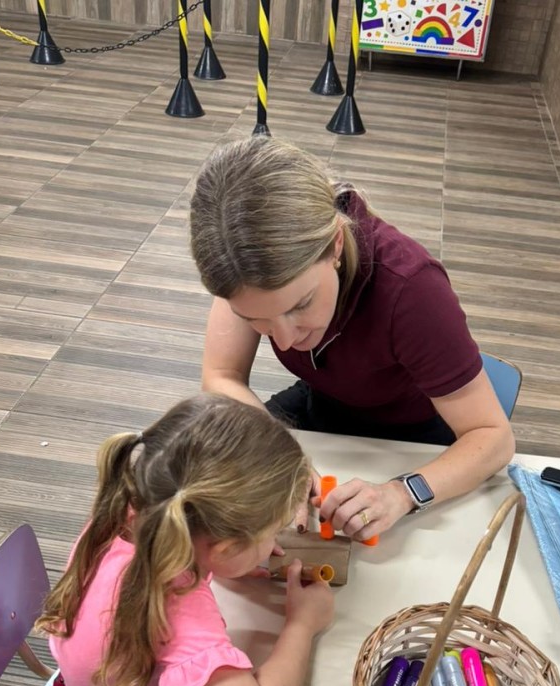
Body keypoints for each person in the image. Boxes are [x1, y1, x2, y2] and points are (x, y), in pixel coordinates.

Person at [189, 137, 515, 543]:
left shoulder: (412, 291)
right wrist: (280, 455)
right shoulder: (240, 262)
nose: (286, 341)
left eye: (301, 304)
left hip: (416, 434)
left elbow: (494, 438)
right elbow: (221, 376)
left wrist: (403, 493)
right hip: (323, 403)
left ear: (336, 245)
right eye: (256, 319)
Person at [37, 394, 334, 686]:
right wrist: (302, 624)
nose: (273, 546)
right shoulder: (180, 609)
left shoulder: (131, 510)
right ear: (225, 547)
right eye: (271, 534)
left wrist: (222, 564)